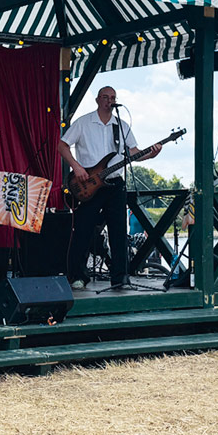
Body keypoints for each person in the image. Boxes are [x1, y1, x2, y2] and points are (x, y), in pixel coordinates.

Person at [60, 86, 162, 290]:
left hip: (115, 184)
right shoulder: (84, 122)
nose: (109, 101)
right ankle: (78, 276)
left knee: (118, 231)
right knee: (83, 230)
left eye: (113, 98)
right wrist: (77, 167)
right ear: (98, 100)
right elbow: (62, 145)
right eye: (106, 97)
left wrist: (150, 154)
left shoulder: (121, 125)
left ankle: (120, 277)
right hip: (88, 184)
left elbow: (133, 152)